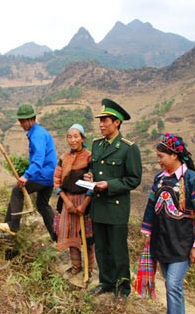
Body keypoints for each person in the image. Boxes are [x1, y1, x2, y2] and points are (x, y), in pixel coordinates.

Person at [141, 133, 195, 314]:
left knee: (173, 284)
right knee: (172, 284)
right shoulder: (159, 179)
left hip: (182, 242)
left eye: (161, 157)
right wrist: (148, 232)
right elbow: (151, 206)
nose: (159, 161)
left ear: (174, 155)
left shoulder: (193, 180)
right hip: (161, 240)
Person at [86, 98, 142, 299]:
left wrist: (110, 185)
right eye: (100, 120)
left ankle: (123, 288)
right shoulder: (96, 145)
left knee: (118, 250)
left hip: (116, 208)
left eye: (105, 120)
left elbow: (134, 179)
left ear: (117, 122)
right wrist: (90, 176)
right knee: (101, 248)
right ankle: (106, 282)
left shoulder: (128, 148)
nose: (101, 124)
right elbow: (95, 168)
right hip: (99, 205)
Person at [0, 104, 58, 241]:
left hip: (42, 175)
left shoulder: (37, 135)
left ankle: (12, 225)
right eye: (20, 121)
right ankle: (57, 235)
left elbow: (39, 158)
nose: (21, 124)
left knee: (17, 191)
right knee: (42, 205)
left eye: (23, 121)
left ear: (32, 119)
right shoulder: (38, 132)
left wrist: (26, 176)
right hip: (49, 176)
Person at [53, 124, 95, 277]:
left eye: (76, 136)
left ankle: (89, 270)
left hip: (86, 201)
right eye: (69, 137)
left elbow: (93, 182)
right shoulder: (63, 158)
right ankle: (76, 266)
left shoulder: (90, 157)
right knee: (71, 236)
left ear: (82, 138)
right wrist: (67, 202)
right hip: (68, 202)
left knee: (88, 238)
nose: (72, 140)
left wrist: (84, 204)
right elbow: (57, 181)